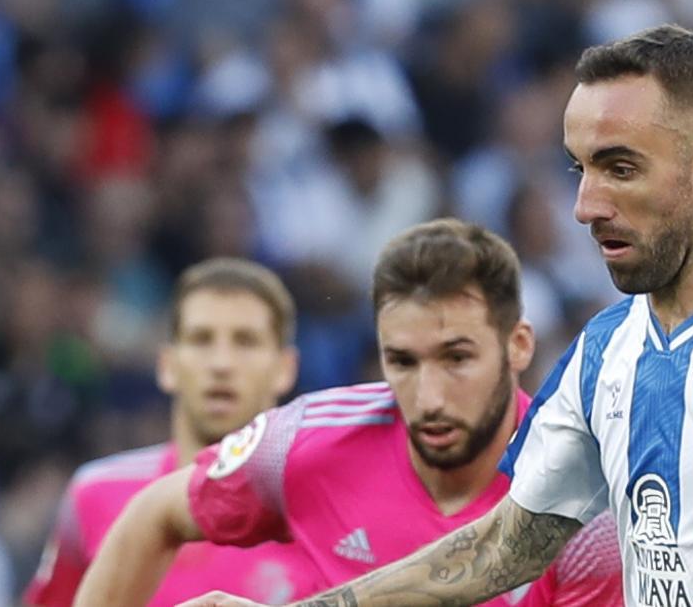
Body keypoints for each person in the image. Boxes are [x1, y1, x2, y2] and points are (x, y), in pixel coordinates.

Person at [181, 24, 693, 607]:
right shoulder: (602, 352)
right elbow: (505, 545)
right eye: (580, 167)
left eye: (619, 167)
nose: (585, 204)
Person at [73, 219, 623, 606]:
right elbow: (153, 514)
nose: (428, 396)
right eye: (402, 361)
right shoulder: (304, 444)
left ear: (518, 346)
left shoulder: (587, 507)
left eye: (457, 358)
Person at [23, 258, 314, 606]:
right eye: (201, 339)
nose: (221, 364)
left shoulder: (321, 506)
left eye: (246, 341)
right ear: (167, 365)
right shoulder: (94, 494)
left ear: (285, 368)